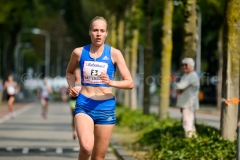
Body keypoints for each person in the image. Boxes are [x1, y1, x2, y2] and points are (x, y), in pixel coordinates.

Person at [66, 16, 134, 160]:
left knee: (98, 157)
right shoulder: (79, 52)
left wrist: (111, 83)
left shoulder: (114, 54)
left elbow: (129, 83)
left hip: (106, 107)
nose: (98, 34)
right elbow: (69, 72)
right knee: (86, 147)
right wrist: (72, 86)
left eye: (102, 31)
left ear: (106, 33)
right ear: (89, 32)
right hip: (84, 104)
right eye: (95, 30)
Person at [173, 58, 200, 138]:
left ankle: (189, 140)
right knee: (190, 123)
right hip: (186, 104)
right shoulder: (186, 75)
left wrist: (174, 84)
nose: (184, 67)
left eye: (186, 65)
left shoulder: (192, 76)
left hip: (189, 104)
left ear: (191, 66)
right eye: (182, 65)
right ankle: (193, 140)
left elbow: (180, 86)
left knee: (187, 123)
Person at [69, 67, 81, 140]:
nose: (77, 74)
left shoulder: (84, 82)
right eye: (76, 73)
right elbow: (68, 92)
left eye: (78, 73)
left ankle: (80, 131)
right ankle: (74, 130)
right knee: (74, 116)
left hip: (81, 101)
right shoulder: (72, 82)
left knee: (80, 116)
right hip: (73, 101)